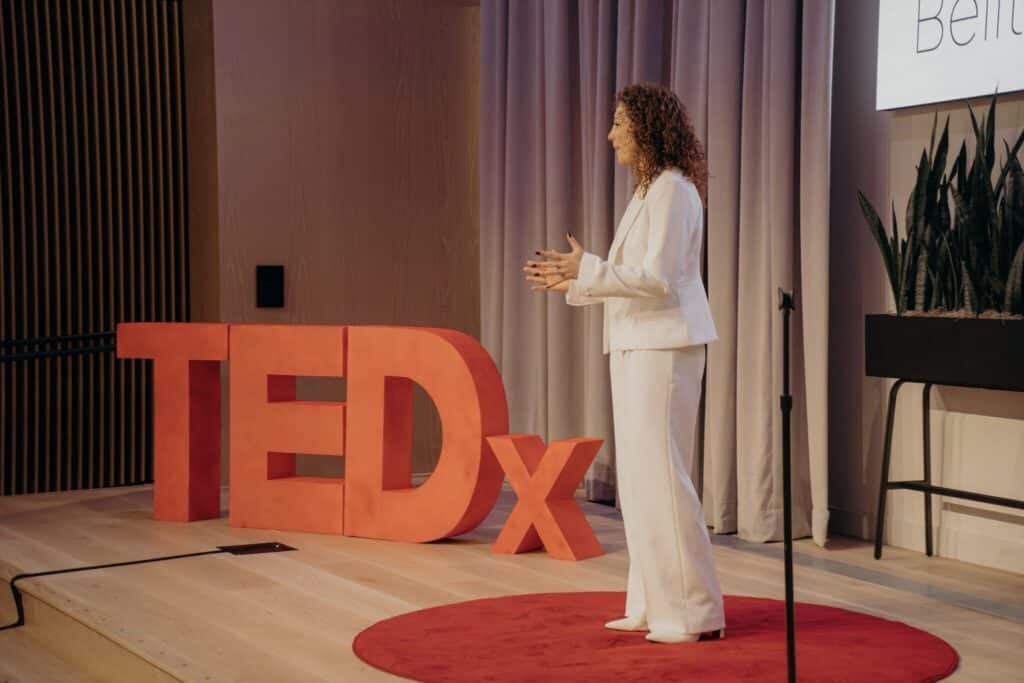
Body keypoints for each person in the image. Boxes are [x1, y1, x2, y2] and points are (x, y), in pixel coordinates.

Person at [523, 83, 725, 644]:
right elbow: (627, 280)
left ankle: (692, 613)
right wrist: (577, 277)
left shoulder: (674, 191)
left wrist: (588, 267)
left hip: (664, 347)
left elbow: (658, 280)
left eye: (618, 124)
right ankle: (650, 604)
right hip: (636, 345)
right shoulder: (646, 192)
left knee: (662, 478)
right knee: (639, 482)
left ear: (646, 127)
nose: (610, 135)